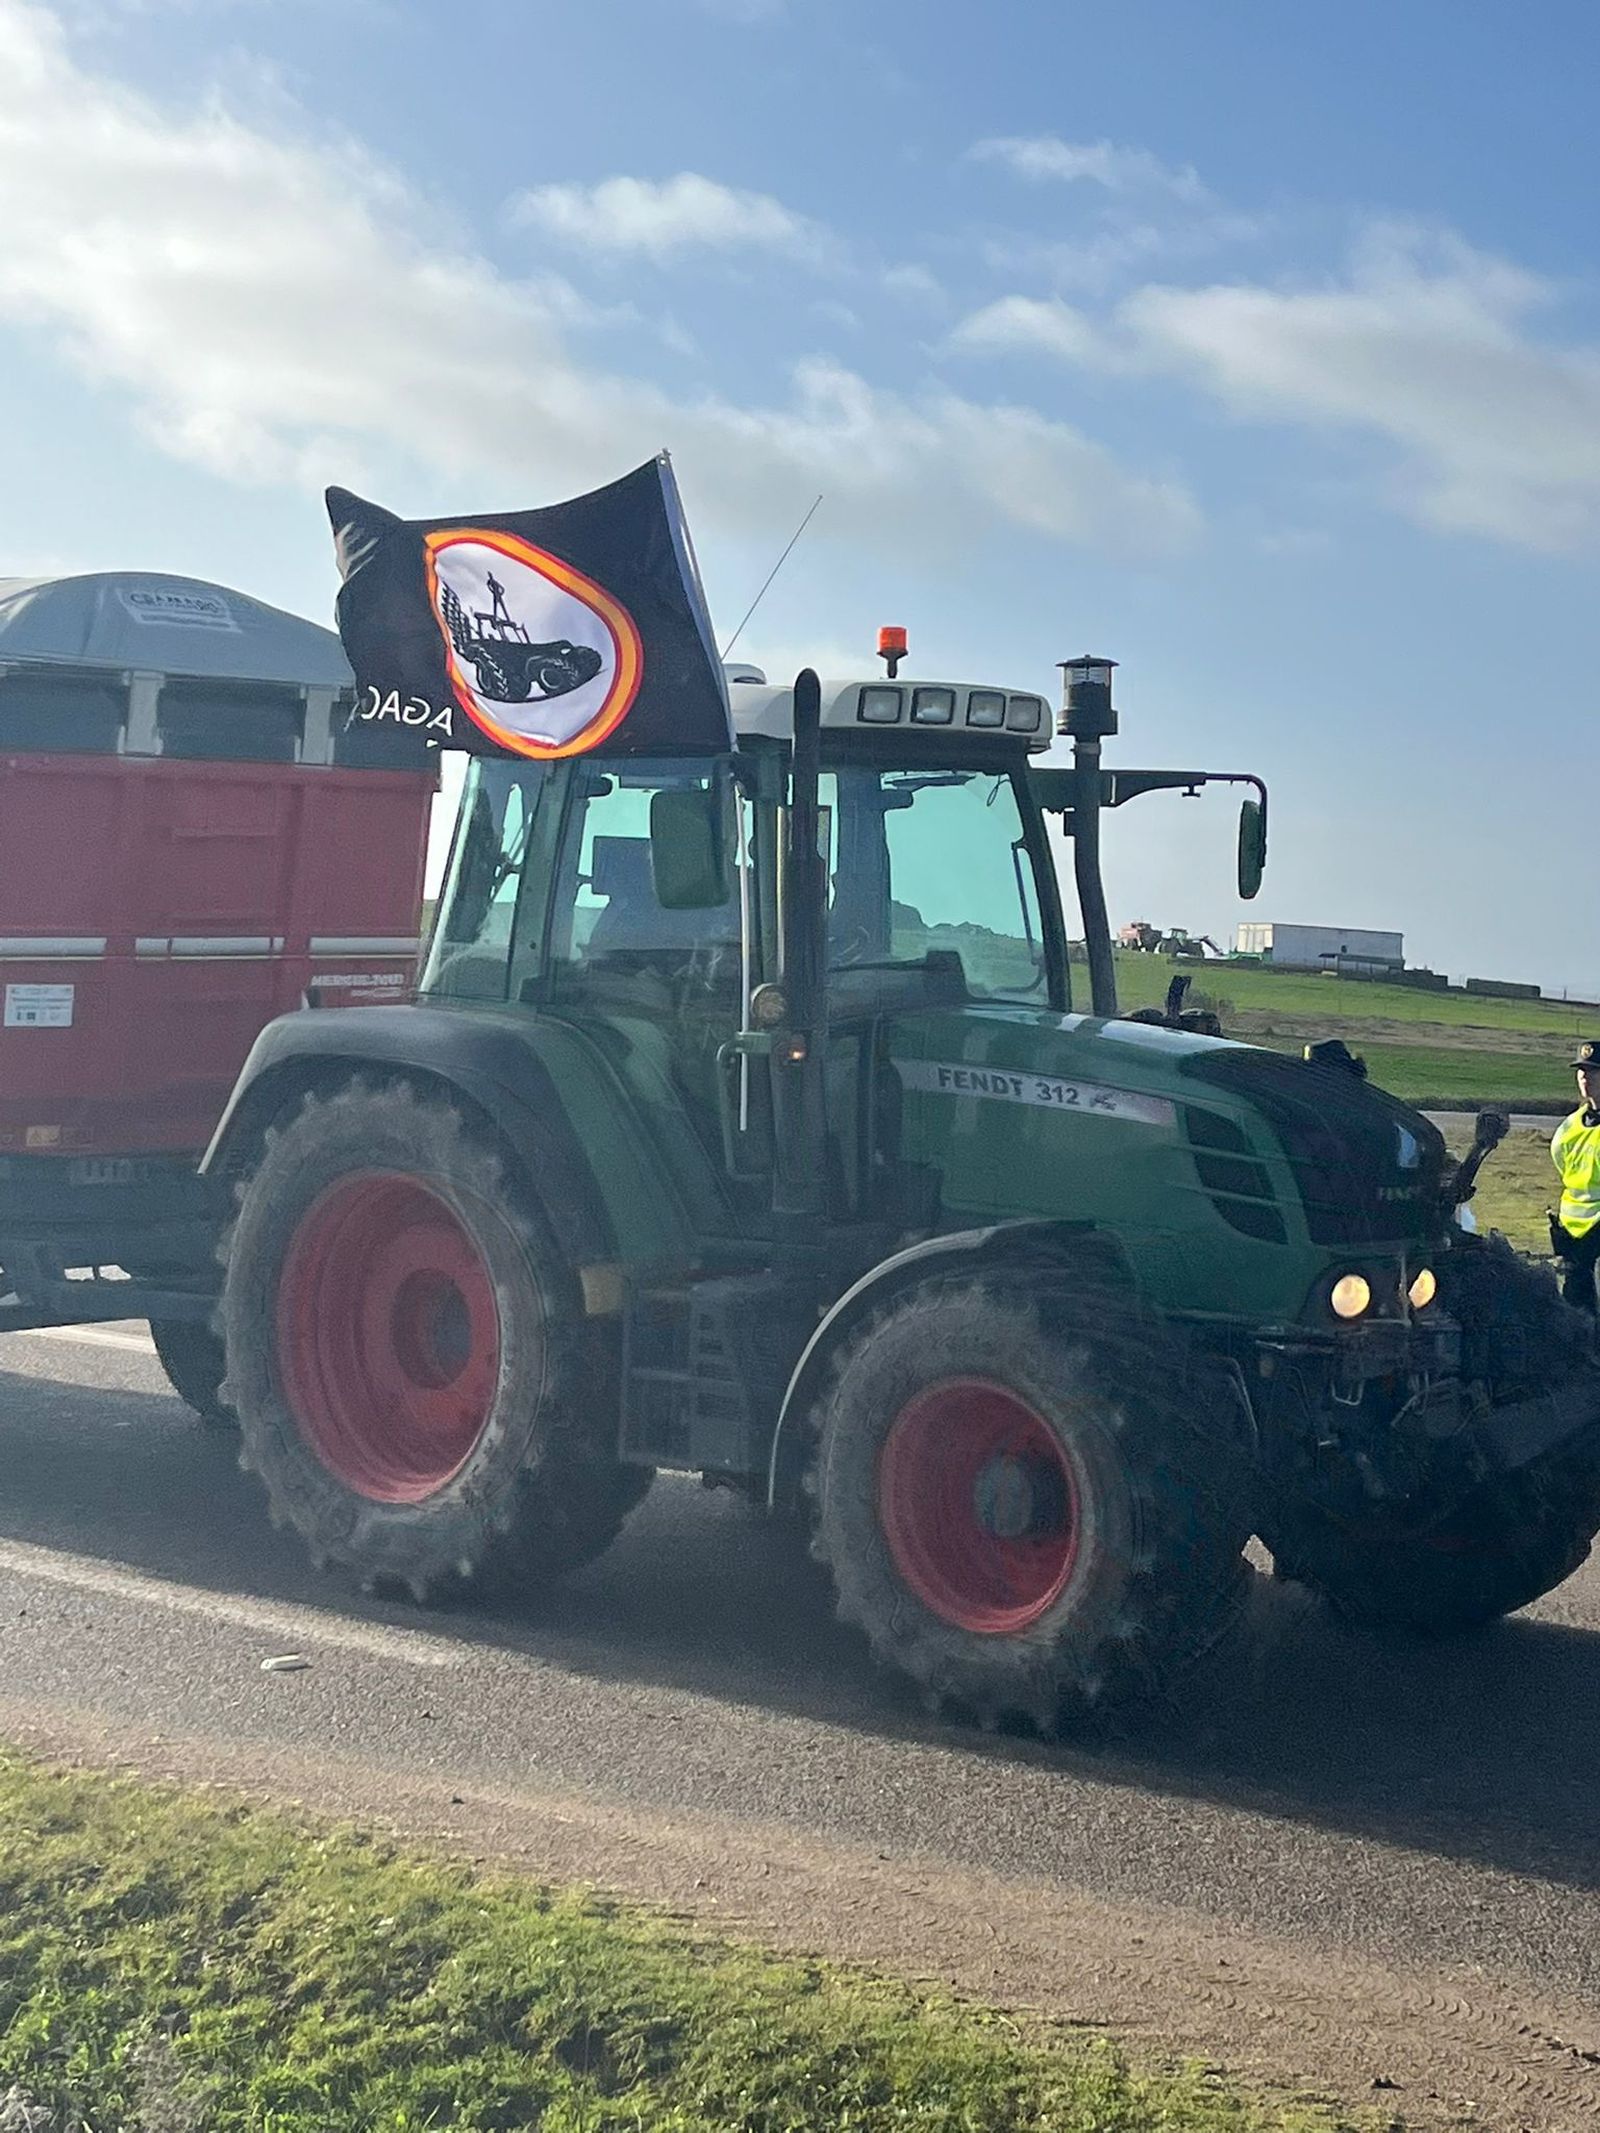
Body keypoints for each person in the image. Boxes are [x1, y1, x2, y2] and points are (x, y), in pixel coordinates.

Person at [1549, 1040, 1600, 1313]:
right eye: (1581, 1071)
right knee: (1574, 1310)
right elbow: (1561, 1165)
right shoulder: (1570, 1125)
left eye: (1593, 1071)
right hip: (1572, 1234)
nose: (1585, 1077)